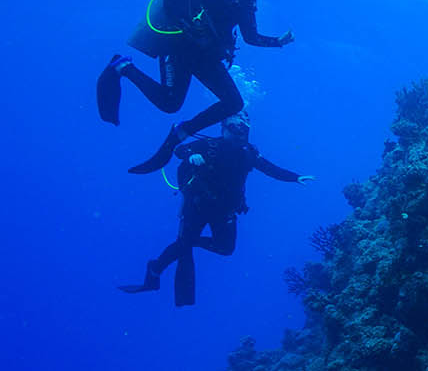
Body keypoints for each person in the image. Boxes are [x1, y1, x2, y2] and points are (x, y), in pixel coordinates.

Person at [97, 0, 298, 174]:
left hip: (207, 57)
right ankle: (123, 66)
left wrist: (278, 42)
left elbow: (251, 37)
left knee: (234, 103)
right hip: (180, 47)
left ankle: (181, 132)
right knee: (170, 104)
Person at [118, 112, 314, 306]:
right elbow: (179, 150)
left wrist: (295, 177)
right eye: (233, 127)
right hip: (198, 206)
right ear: (223, 128)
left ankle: (189, 242)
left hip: (225, 210)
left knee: (225, 248)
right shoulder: (209, 145)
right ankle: (154, 270)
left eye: (243, 128)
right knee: (183, 245)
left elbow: (271, 168)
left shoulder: (249, 153)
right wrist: (191, 155)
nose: (238, 131)